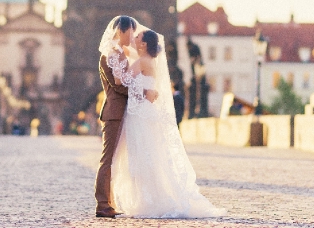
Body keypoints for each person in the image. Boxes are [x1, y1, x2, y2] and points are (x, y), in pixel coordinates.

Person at [102, 23, 226, 219]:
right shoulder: (150, 60)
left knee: (139, 155)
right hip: (147, 112)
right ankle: (155, 197)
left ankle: (146, 200)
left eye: (138, 38)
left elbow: (121, 82)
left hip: (139, 114)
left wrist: (115, 59)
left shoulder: (140, 61)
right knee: (150, 155)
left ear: (143, 45)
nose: (134, 38)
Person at [94, 16, 158, 218]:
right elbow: (118, 86)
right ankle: (102, 204)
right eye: (131, 31)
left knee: (114, 159)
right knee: (108, 159)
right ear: (121, 31)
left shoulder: (119, 52)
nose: (133, 35)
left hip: (121, 111)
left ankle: (108, 203)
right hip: (114, 112)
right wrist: (143, 93)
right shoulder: (111, 54)